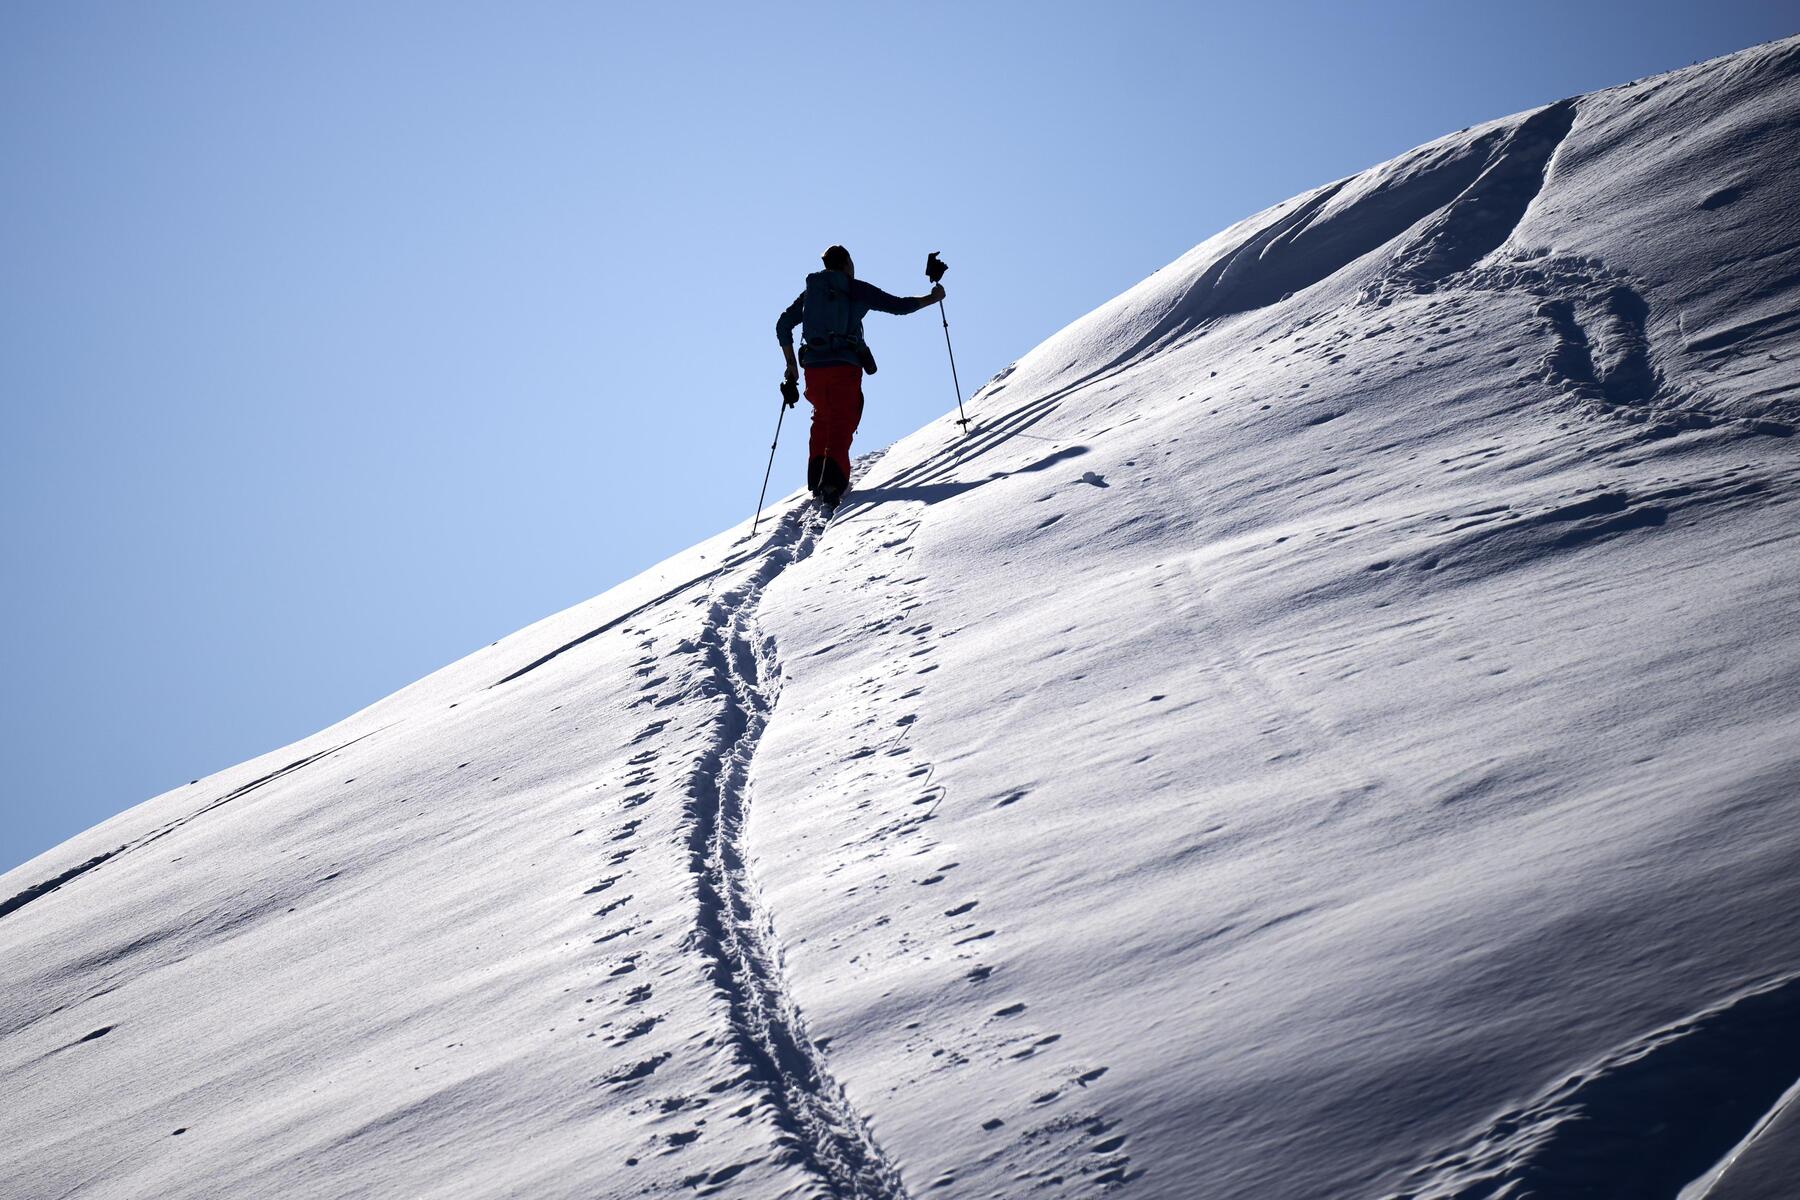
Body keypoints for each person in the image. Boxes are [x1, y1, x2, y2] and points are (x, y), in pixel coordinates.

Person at [776, 245, 944, 509]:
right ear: (845, 264)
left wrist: (791, 366)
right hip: (844, 367)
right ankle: (833, 483)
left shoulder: (812, 292)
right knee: (842, 420)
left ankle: (817, 478)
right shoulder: (855, 289)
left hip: (813, 370)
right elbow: (899, 306)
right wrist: (932, 298)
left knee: (822, 417)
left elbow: (783, 325)